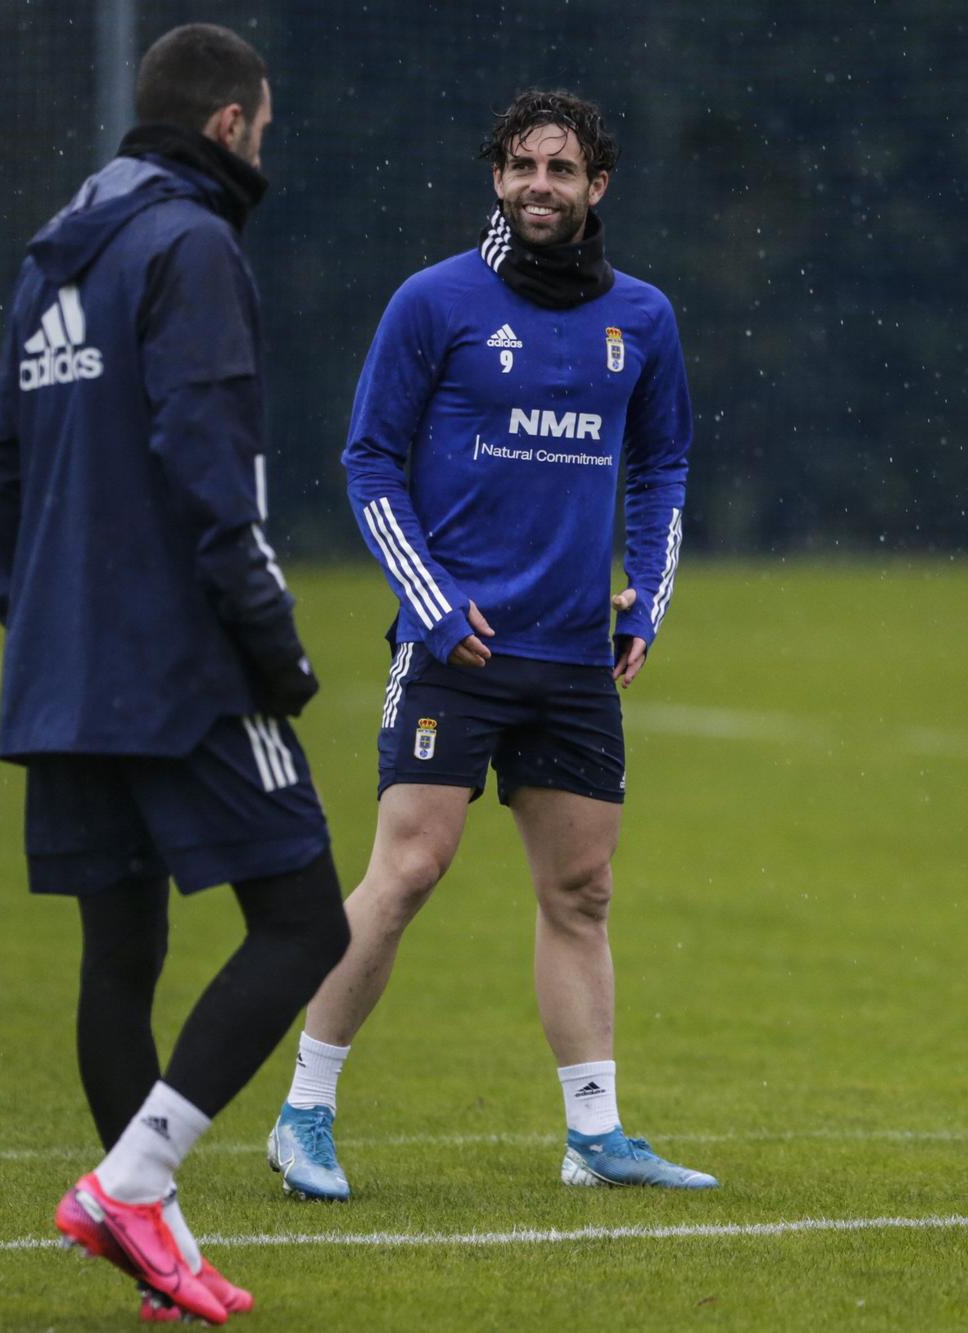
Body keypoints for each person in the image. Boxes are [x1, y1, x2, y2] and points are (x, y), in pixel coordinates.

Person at [265, 88, 713, 1199]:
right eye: (519, 167)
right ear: (496, 178)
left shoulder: (642, 320)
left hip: (571, 657)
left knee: (582, 891)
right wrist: (426, 602)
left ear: (597, 184)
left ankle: (594, 1135)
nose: (538, 187)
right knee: (407, 870)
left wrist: (643, 600)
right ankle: (302, 1113)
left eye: (560, 169)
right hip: (453, 647)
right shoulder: (434, 302)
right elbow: (369, 461)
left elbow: (661, 469)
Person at [0, 22, 351, 1320]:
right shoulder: (193, 243)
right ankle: (135, 1185)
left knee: (120, 952)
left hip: (64, 668)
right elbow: (212, 464)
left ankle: (155, 1249)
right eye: (268, 127)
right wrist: (272, 639)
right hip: (180, 659)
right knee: (308, 917)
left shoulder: (52, 258)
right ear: (234, 126)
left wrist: (37, 629)